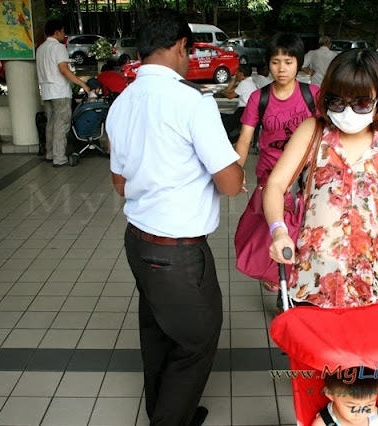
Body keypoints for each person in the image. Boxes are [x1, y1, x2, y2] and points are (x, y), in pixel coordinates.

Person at [106, 8, 243, 426]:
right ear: (181, 46)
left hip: (139, 242)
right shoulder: (192, 103)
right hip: (178, 254)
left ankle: (167, 411)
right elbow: (231, 184)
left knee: (158, 335)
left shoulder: (121, 103)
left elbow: (120, 184)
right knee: (197, 341)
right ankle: (170, 419)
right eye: (190, 50)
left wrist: (159, 177)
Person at [264, 49, 378, 308]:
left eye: (361, 103)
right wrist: (278, 233)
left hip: (365, 282)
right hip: (311, 278)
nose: (348, 112)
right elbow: (276, 185)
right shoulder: (313, 132)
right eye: (338, 102)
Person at [234, 32, 320, 187]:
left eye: (288, 62)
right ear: (268, 64)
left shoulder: (313, 95)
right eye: (275, 62)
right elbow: (245, 139)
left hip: (305, 178)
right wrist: (238, 171)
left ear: (298, 64)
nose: (282, 69)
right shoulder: (258, 98)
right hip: (268, 177)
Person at [36, 18, 90, 167]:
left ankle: (50, 154)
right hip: (59, 91)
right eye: (63, 31)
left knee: (51, 124)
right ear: (57, 31)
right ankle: (59, 158)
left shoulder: (40, 49)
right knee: (61, 125)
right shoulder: (58, 48)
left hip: (46, 92)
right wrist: (82, 84)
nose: (64, 35)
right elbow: (63, 69)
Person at [313, 367, 378, 426]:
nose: (361, 413)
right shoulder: (322, 424)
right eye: (352, 406)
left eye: (369, 405)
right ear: (330, 394)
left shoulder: (377, 416)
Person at [220, 64, 256, 139]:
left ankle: (229, 140)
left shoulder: (244, 83)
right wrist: (235, 80)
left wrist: (223, 92)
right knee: (223, 116)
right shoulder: (249, 82)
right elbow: (229, 91)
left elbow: (230, 96)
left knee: (225, 124)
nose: (235, 74)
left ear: (241, 74)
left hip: (244, 111)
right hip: (247, 110)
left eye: (237, 72)